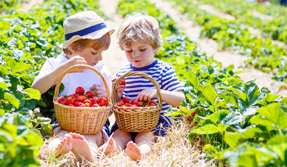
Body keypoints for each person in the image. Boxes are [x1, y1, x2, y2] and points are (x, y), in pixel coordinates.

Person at [31, 11, 116, 162]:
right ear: (74, 48)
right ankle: (57, 148)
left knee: (92, 137)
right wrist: (62, 69)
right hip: (64, 123)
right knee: (60, 134)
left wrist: (103, 96)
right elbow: (35, 90)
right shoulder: (55, 64)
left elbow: (108, 110)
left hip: (93, 125)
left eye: (102, 52)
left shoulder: (101, 71)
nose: (100, 58)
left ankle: (87, 154)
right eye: (94, 52)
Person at [110, 14, 185, 161]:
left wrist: (158, 93)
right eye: (129, 51)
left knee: (145, 135)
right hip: (128, 122)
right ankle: (111, 148)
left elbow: (181, 100)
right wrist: (116, 96)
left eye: (142, 49)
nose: (135, 55)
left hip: (154, 122)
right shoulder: (123, 73)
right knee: (120, 134)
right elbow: (114, 105)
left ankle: (141, 151)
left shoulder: (163, 70)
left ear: (155, 47)